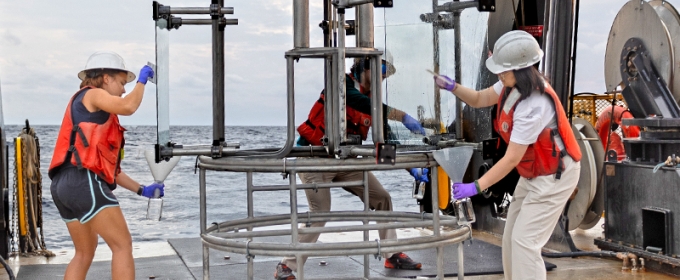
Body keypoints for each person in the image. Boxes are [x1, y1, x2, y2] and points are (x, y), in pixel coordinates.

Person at [434, 30, 582, 280]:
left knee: (526, 242)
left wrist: (476, 187)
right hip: (534, 174)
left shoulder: (533, 104)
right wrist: (454, 87)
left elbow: (511, 158)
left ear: (522, 69)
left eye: (504, 69)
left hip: (555, 177)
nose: (499, 74)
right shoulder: (509, 84)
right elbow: (480, 99)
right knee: (512, 235)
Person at [274, 53, 426, 280]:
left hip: (345, 161)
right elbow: (362, 103)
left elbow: (386, 140)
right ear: (364, 68)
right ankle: (286, 266)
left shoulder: (372, 98)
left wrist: (410, 168)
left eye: (385, 76)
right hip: (314, 159)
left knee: (382, 197)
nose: (382, 79)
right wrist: (402, 116)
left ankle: (392, 254)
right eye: (380, 72)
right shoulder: (341, 85)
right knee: (320, 213)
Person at [48, 51, 162, 280]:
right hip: (83, 182)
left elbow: (111, 171)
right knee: (122, 245)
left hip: (63, 186)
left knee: (84, 252)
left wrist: (142, 190)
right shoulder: (92, 95)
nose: (123, 89)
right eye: (122, 82)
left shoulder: (92, 110)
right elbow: (129, 106)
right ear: (106, 77)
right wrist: (142, 81)